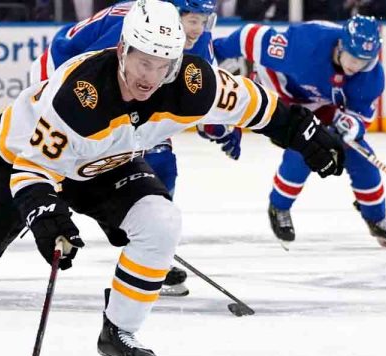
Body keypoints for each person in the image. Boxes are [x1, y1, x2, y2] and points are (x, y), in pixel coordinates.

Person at [0, 0, 345, 356]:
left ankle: (118, 335)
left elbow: (259, 107)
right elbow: (31, 169)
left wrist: (306, 134)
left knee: (160, 222)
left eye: (163, 65)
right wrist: (47, 218)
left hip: (105, 165)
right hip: (18, 160)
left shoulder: (193, 81)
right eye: (142, 62)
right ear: (123, 50)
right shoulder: (81, 93)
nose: (151, 77)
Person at [30, 0, 243, 296]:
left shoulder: (198, 39)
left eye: (204, 20)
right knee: (56, 168)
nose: (198, 30)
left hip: (134, 96)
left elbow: (203, 96)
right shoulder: (136, 28)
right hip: (61, 77)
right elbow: (86, 70)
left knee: (162, 162)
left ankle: (149, 248)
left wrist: (221, 128)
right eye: (193, 20)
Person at [214, 15, 386, 249]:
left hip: (320, 103)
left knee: (360, 154)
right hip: (278, 97)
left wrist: (352, 124)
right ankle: (279, 207)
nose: (356, 66)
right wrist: (212, 53)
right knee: (306, 147)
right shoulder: (305, 45)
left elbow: (361, 115)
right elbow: (250, 36)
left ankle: (376, 219)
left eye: (363, 61)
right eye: (353, 57)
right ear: (341, 45)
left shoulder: (371, 75)